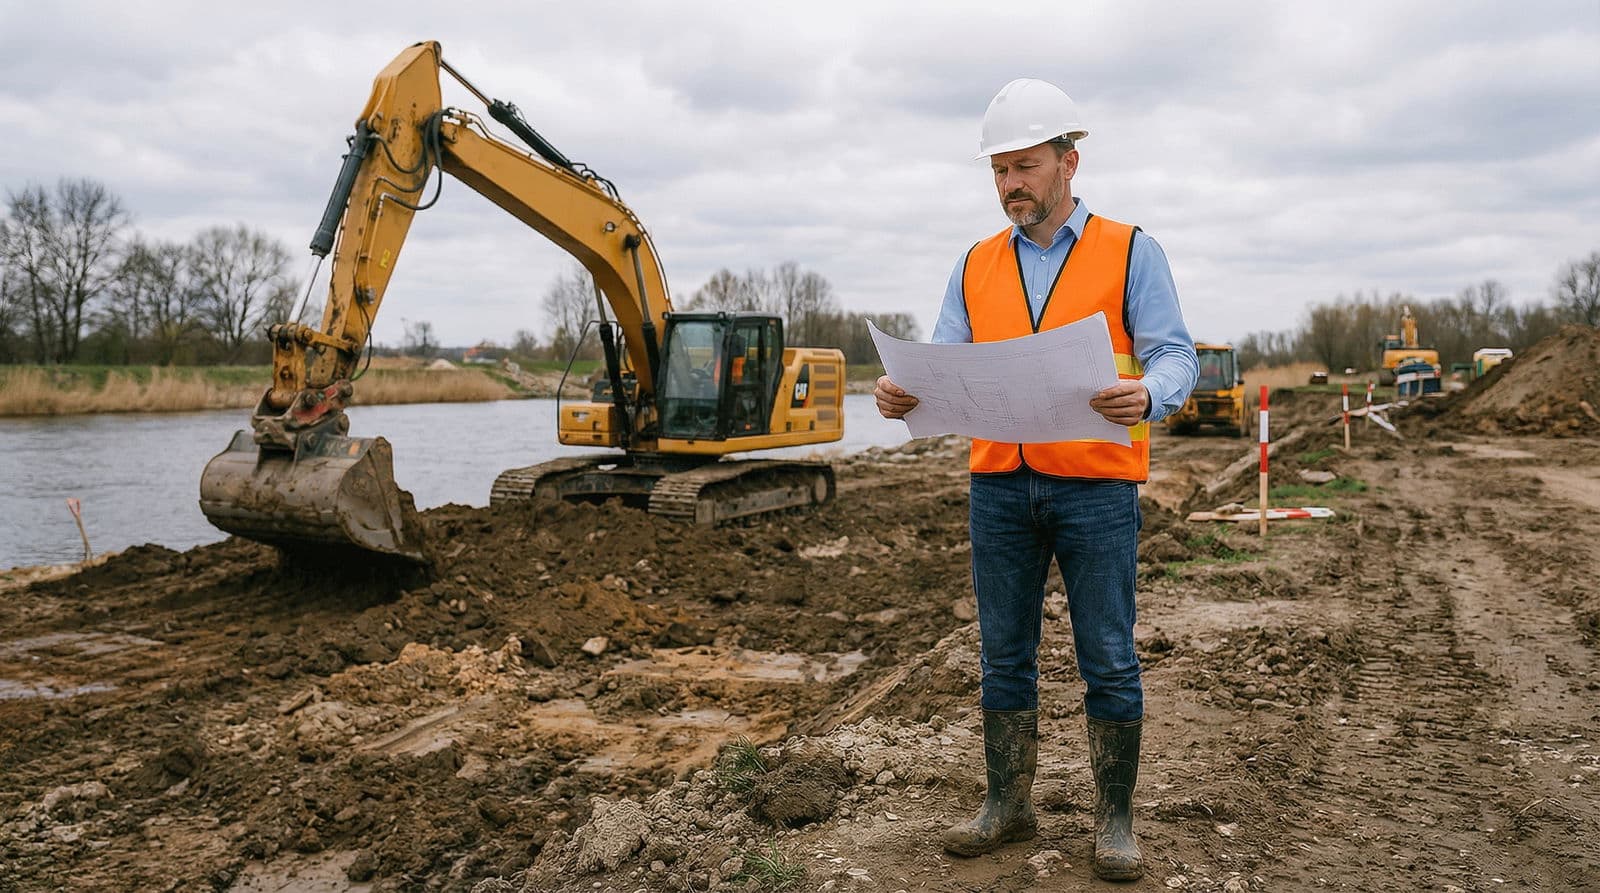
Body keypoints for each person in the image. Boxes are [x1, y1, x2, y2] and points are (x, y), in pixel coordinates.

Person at [875, 78, 1197, 881]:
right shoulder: (975, 262)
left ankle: (1114, 819)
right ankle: (1007, 803)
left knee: (1109, 657)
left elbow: (1175, 354)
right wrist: (903, 389)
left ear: (1067, 161)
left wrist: (1150, 393)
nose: (1009, 183)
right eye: (998, 170)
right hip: (999, 485)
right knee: (1003, 655)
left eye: (1024, 165)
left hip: (1096, 485)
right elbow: (948, 358)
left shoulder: (1131, 248)